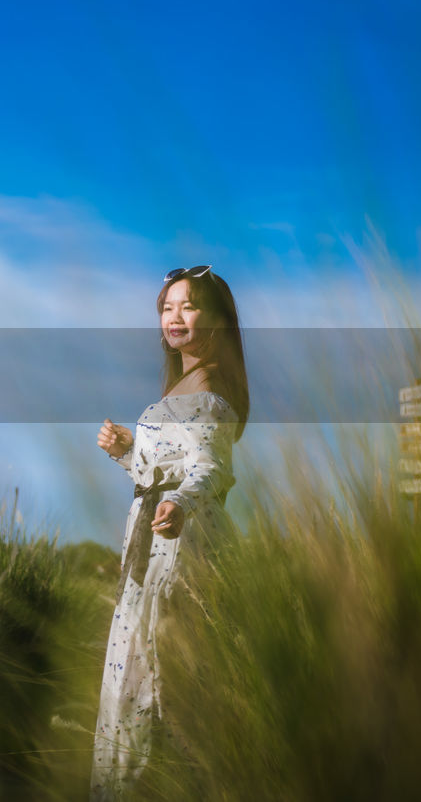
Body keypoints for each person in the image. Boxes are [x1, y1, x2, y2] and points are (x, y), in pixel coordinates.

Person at [89, 264, 249, 800]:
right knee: (135, 669)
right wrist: (126, 451)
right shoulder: (178, 387)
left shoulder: (212, 391)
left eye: (189, 305)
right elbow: (160, 470)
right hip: (149, 545)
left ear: (219, 320)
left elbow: (209, 467)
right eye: (166, 307)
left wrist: (180, 503)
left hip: (179, 546)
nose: (175, 316)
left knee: (165, 675)